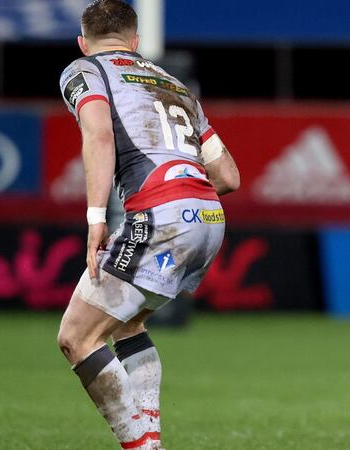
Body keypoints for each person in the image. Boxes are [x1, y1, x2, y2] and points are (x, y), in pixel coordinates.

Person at [56, 1, 240, 449]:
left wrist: (96, 218)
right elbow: (229, 177)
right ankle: (150, 439)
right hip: (209, 216)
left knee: (76, 337)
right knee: (127, 325)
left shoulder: (85, 70)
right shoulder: (174, 83)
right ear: (135, 43)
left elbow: (98, 133)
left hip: (160, 213)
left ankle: (142, 446)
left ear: (83, 43)